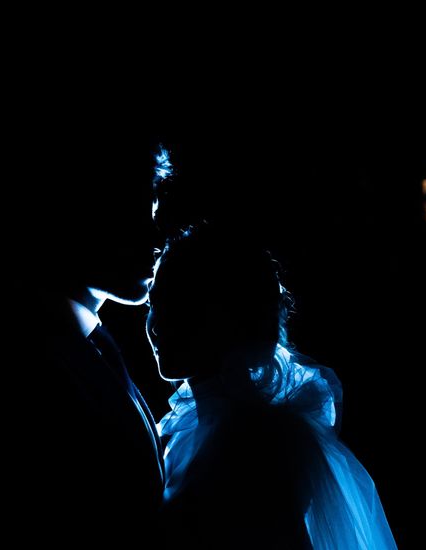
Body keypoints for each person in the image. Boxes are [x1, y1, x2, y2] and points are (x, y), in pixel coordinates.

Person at [0, 119, 169, 545]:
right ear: (77, 213)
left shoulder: (92, 343)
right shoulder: (26, 360)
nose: (157, 238)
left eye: (153, 215)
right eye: (134, 214)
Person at [147, 226, 397, 549]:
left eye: (179, 305)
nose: (156, 324)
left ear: (223, 315)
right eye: (154, 303)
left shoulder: (256, 443)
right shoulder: (192, 430)